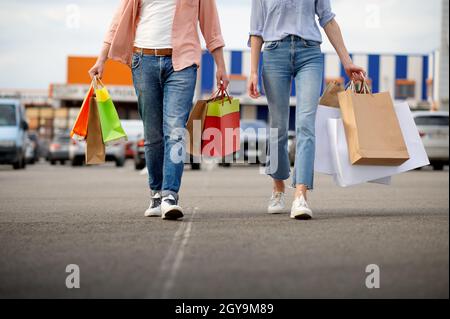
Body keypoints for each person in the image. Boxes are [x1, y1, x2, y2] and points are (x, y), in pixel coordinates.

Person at [89, 0, 229, 220]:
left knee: (175, 129)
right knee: (153, 134)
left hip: (182, 64)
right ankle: (156, 193)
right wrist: (101, 59)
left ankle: (170, 195)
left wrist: (220, 65)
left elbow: (211, 26)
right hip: (143, 61)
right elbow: (118, 21)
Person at [247, 0, 365, 220]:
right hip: (274, 54)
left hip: (309, 53)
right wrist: (253, 71)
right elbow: (256, 30)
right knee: (278, 128)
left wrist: (347, 62)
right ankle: (278, 186)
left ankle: (301, 195)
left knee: (305, 125)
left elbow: (327, 19)